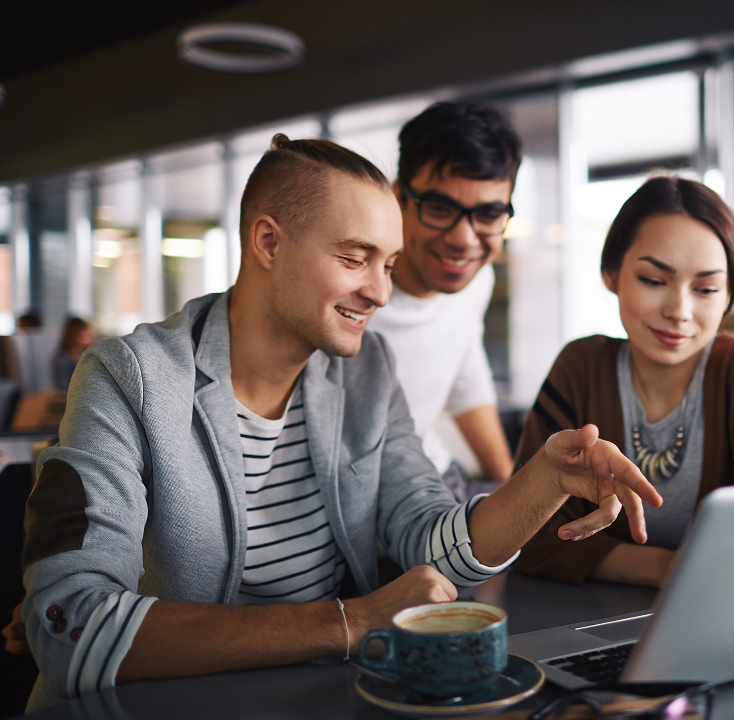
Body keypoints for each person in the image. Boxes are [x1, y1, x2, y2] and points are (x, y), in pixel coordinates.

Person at [7, 135, 661, 708]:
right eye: (355, 258)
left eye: (387, 264)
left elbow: (426, 538)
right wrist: (351, 621)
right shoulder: (129, 375)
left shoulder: (365, 367)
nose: (380, 290)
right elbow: (73, 627)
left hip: (318, 696)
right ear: (268, 242)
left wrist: (543, 481)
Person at [514, 176, 734, 588]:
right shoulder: (581, 366)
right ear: (611, 274)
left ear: (728, 294)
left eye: (707, 288)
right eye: (654, 281)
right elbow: (527, 535)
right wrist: (663, 568)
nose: (679, 310)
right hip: (597, 619)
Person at [367, 102, 519, 497]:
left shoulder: (477, 280)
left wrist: (510, 486)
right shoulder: (352, 295)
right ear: (399, 198)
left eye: (488, 215)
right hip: (366, 496)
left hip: (430, 473)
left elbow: (467, 378)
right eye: (440, 208)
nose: (464, 240)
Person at [51, 317, 96, 391]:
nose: (90, 340)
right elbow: (64, 389)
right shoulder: (62, 361)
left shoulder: (91, 357)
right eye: (86, 336)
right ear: (75, 336)